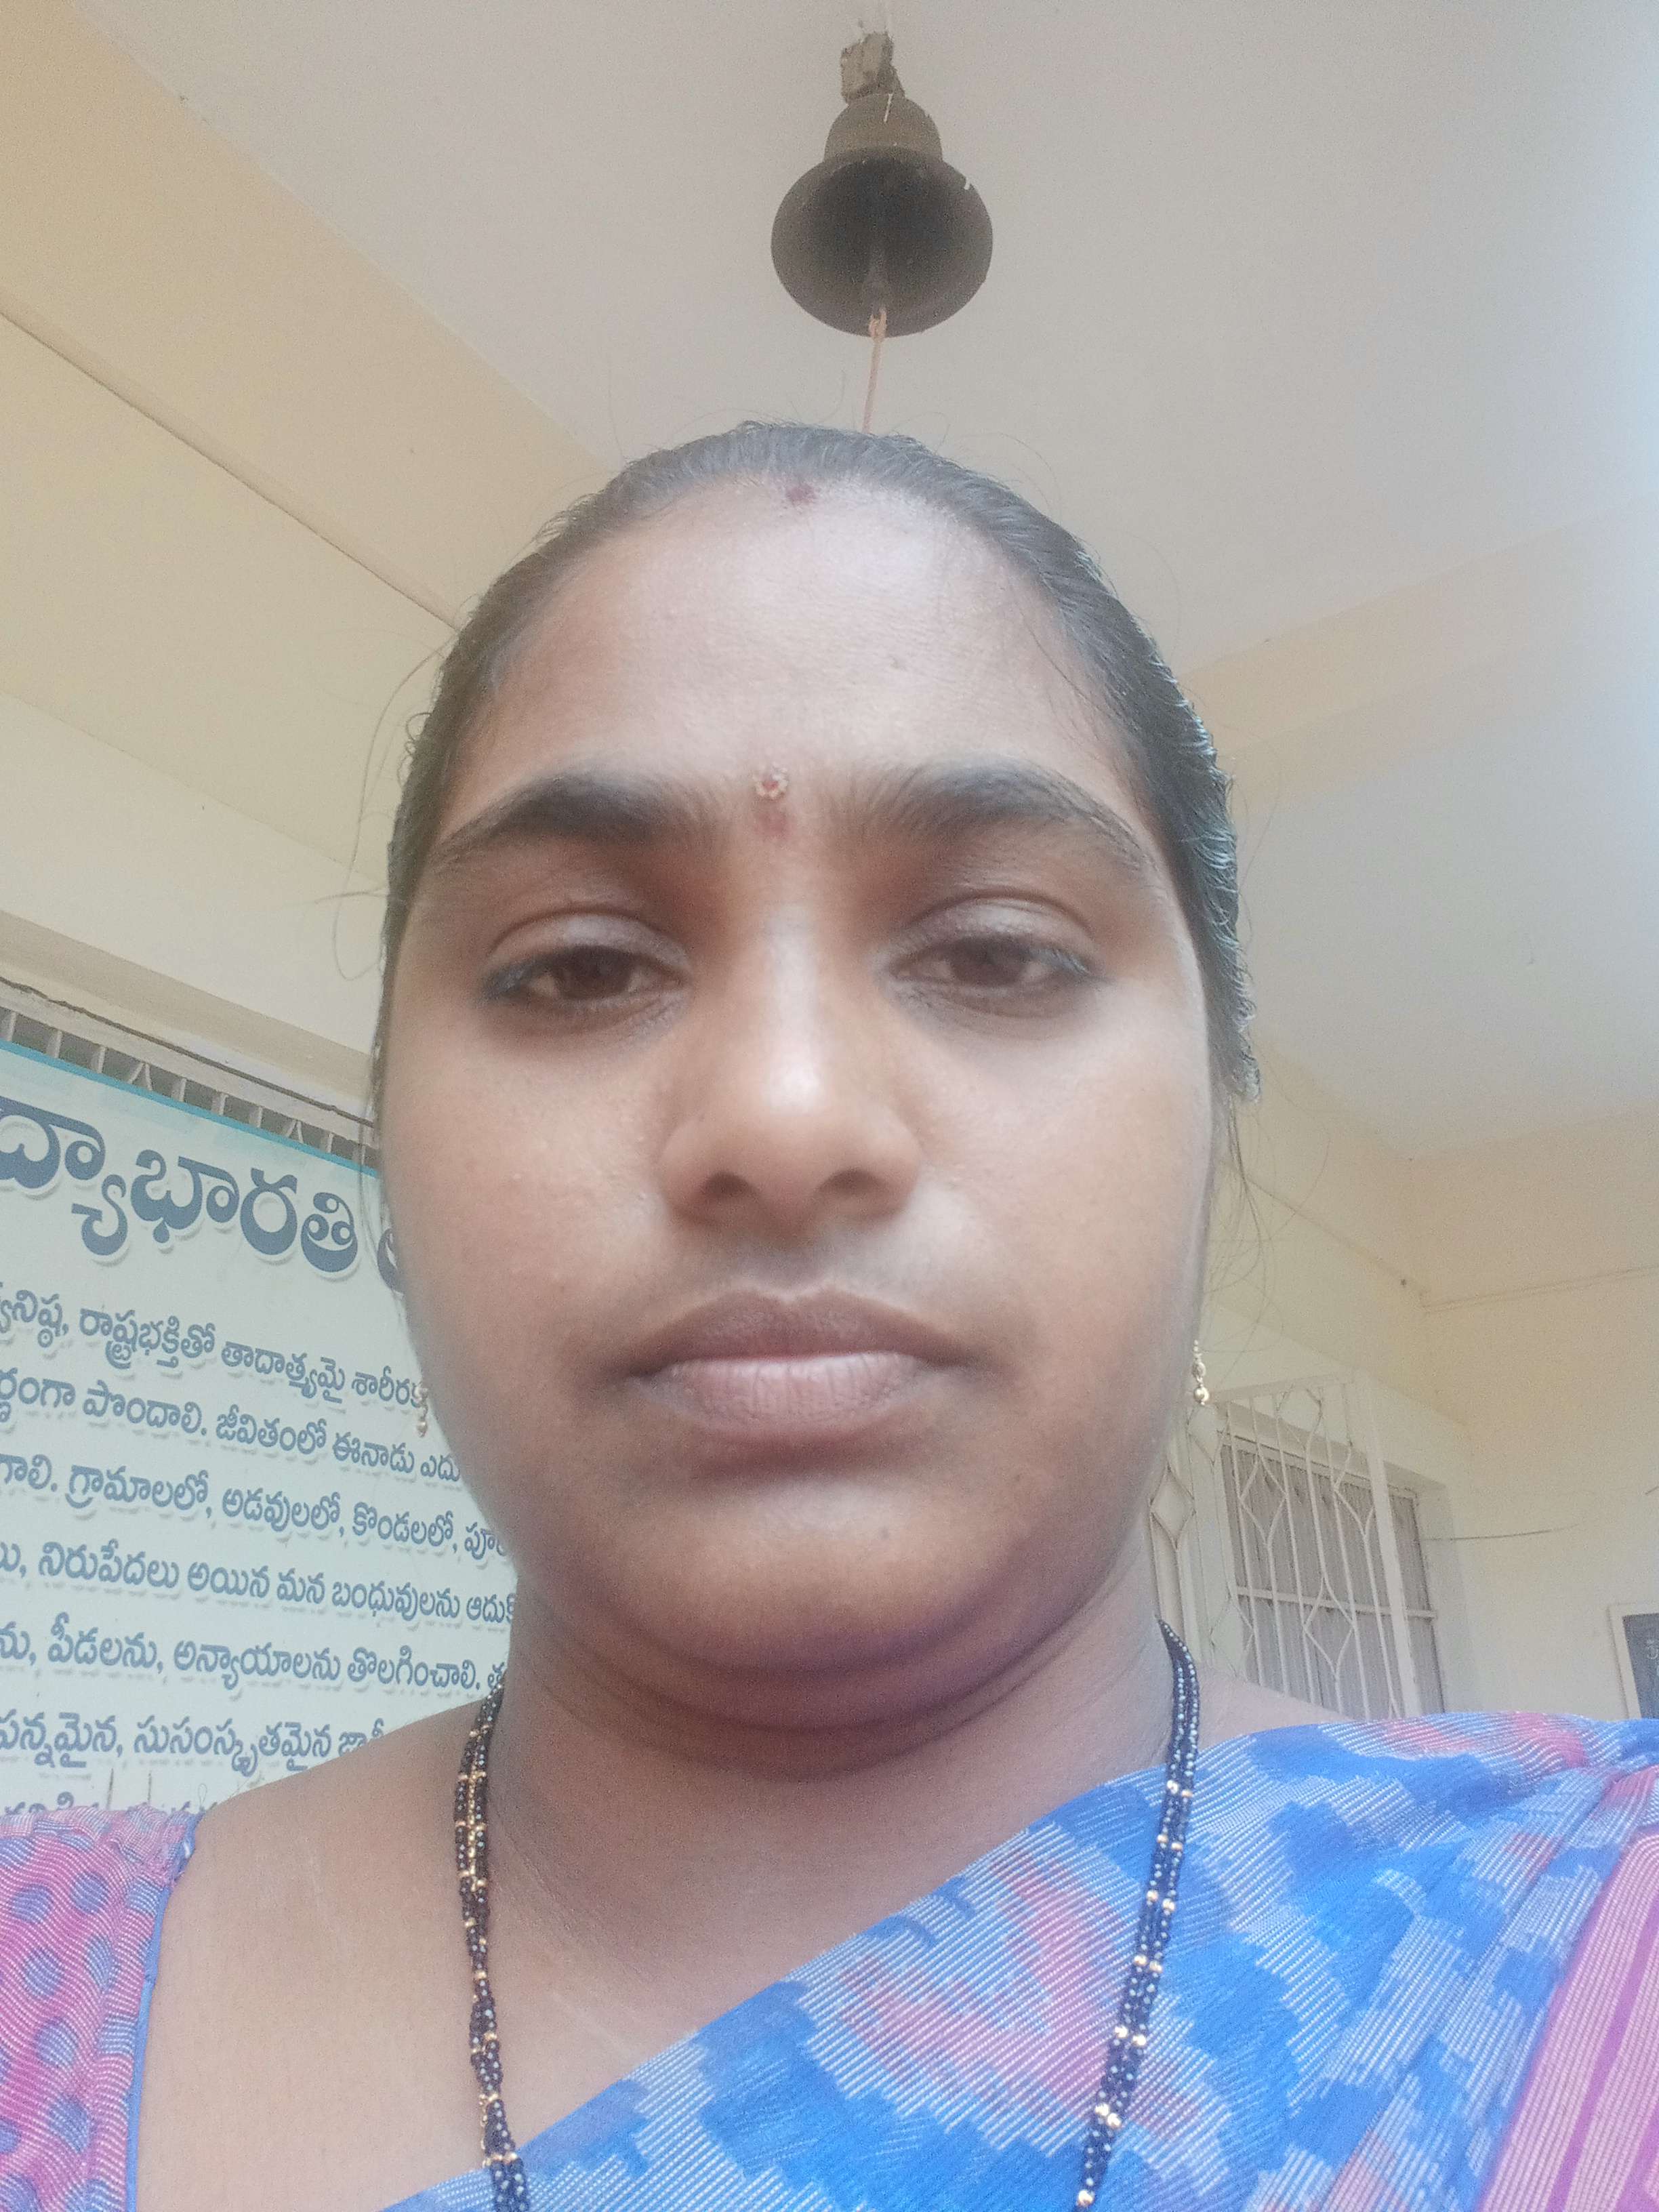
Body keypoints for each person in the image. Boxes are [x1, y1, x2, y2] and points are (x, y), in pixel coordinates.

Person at [2, 424, 1656, 2212]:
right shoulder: (40, 2001)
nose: (785, 1120)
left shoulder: (1599, 1944)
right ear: (388, 1137)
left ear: (1217, 1123)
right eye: (579, 965)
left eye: (999, 950)